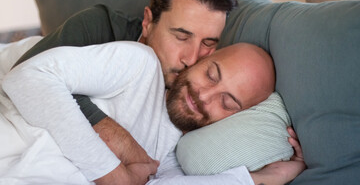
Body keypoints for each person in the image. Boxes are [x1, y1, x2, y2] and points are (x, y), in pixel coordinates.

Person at [11, 0, 239, 183]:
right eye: (181, 37)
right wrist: (119, 140)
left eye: (208, 43)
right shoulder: (100, 27)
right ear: (148, 22)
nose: (192, 58)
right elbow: (24, 79)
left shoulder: (188, 92)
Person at [3, 40, 305, 185]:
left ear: (237, 119)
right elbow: (28, 77)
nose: (203, 95)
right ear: (203, 58)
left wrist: (266, 176)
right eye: (211, 75)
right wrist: (114, 175)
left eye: (227, 103)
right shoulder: (140, 69)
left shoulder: (176, 161)